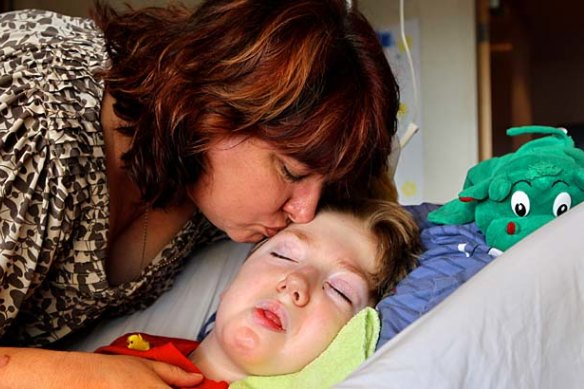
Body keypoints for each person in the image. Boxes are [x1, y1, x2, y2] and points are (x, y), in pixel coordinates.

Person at [0, 0, 400, 386]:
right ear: (216, 107)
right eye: (290, 171)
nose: (303, 210)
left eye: (323, 186)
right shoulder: (31, 122)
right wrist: (90, 378)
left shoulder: (214, 196)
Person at [95, 199, 421, 387]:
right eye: (283, 255)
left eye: (339, 290)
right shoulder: (136, 349)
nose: (296, 281)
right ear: (234, 279)